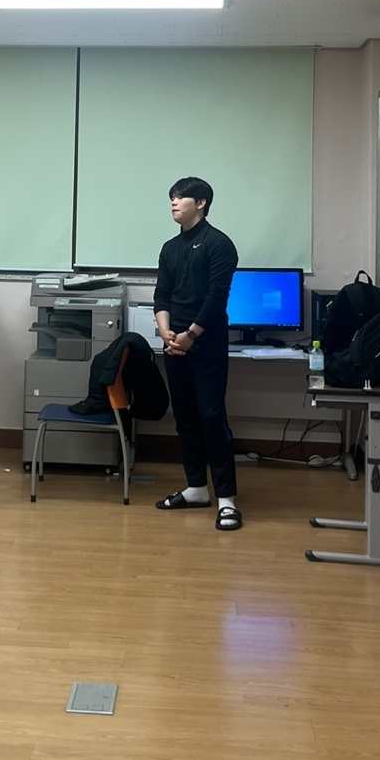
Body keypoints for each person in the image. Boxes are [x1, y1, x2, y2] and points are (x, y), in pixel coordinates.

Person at [152, 177, 242, 530]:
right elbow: (162, 295)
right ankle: (196, 488)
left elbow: (217, 298)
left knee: (211, 417)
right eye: (171, 198)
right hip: (174, 344)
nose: (174, 203)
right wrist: (165, 331)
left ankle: (227, 499)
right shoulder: (169, 248)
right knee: (185, 418)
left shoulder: (219, 244)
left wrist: (190, 335)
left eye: (180, 197)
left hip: (206, 343)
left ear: (201, 203)